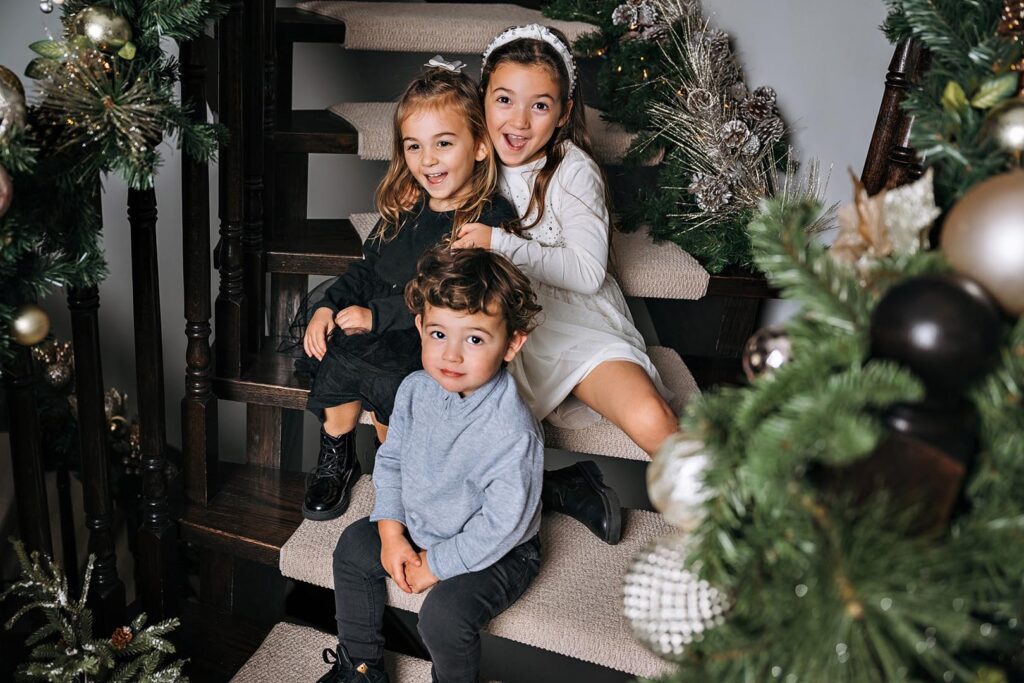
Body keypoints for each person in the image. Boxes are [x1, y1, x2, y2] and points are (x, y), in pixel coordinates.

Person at [452, 24, 680, 544]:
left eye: (539, 106)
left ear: (563, 112)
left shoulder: (572, 170)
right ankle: (561, 487)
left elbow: (585, 272)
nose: (518, 121)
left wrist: (498, 242)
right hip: (502, 328)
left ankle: (728, 525)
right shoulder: (471, 155)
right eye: (504, 99)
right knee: (466, 439)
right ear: (482, 98)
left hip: (575, 323)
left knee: (651, 416)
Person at [299, 60, 519, 521]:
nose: (427, 160)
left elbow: (452, 299)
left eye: (444, 143)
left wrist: (377, 317)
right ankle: (337, 452)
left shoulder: (483, 221)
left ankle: (396, 467)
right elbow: (367, 269)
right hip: (379, 318)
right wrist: (328, 306)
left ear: (481, 146)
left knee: (395, 382)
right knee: (337, 354)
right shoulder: (406, 207)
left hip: (429, 332)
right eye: (414, 146)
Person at [318, 247, 544, 683]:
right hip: (428, 521)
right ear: (420, 327)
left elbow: (502, 526)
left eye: (474, 339)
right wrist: (391, 533)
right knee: (351, 549)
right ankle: (361, 668)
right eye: (439, 334)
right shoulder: (415, 390)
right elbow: (392, 462)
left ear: (512, 344)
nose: (451, 355)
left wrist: (435, 565)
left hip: (501, 549)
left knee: (443, 617)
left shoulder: (512, 432)